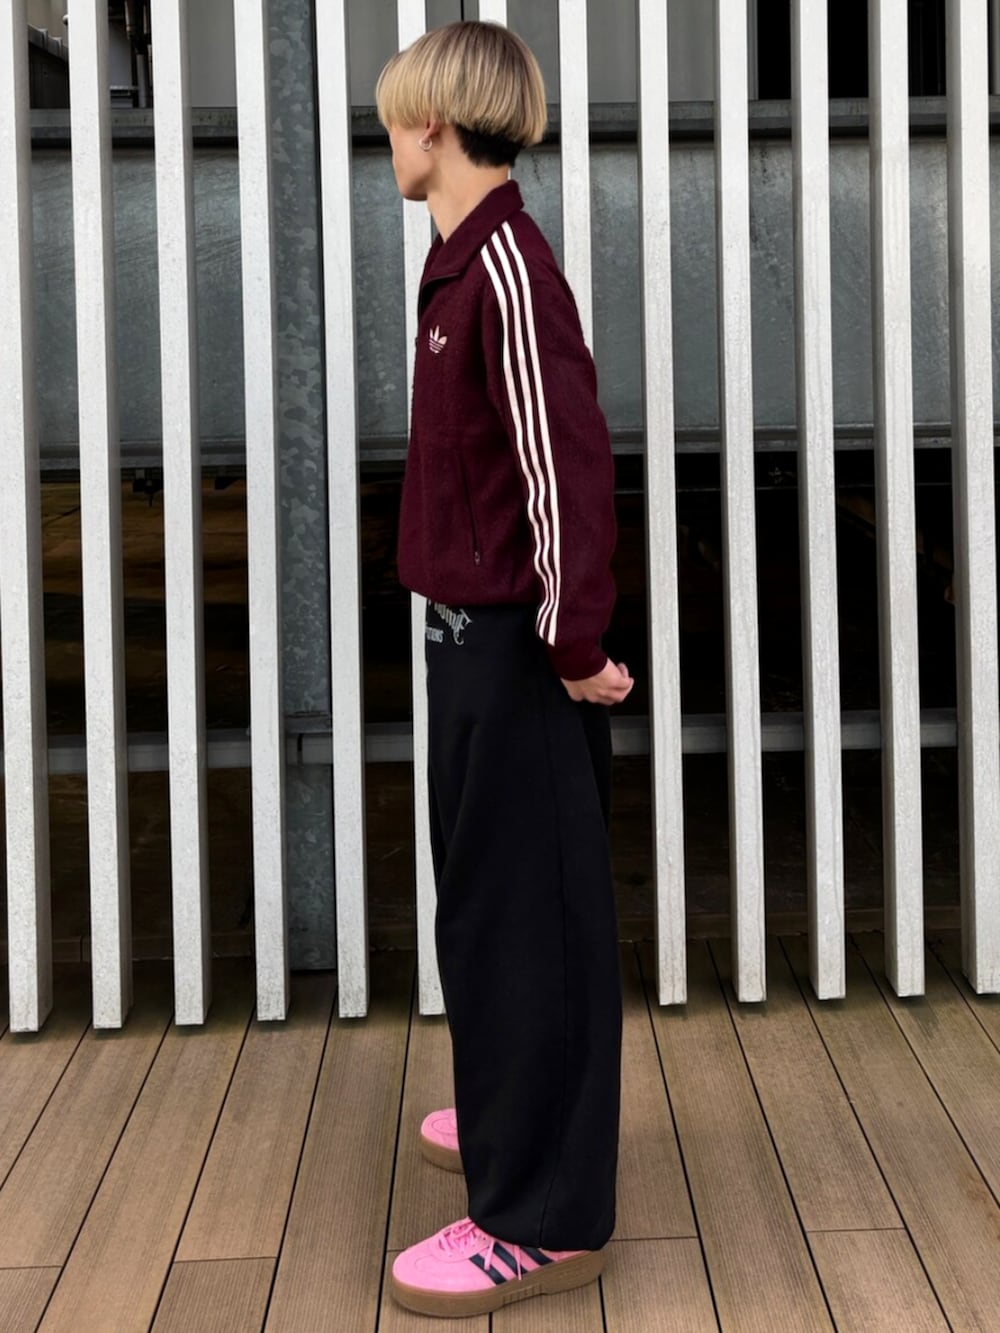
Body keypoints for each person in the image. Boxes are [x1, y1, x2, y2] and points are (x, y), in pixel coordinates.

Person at [376, 20, 633, 1318]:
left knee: (535, 927)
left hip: (523, 657)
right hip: (466, 646)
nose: (387, 135)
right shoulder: (456, 268)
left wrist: (573, 647)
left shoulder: (508, 274)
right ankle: (506, 1113)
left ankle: (541, 1219)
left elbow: (564, 474)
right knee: (484, 912)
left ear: (434, 127)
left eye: (395, 115)